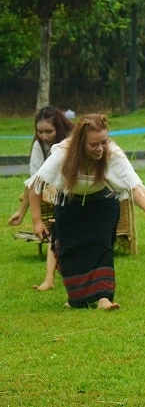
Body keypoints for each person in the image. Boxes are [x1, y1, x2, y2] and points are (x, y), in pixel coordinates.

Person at [26, 114, 145, 310]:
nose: (100, 148)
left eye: (104, 142)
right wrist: (37, 221)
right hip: (69, 205)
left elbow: (133, 184)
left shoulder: (112, 153)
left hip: (103, 203)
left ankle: (103, 298)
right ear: (80, 143)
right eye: (93, 144)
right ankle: (76, 298)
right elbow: (36, 184)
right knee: (70, 251)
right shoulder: (64, 153)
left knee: (102, 246)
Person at [8, 106, 74, 291]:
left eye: (48, 131)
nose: (44, 136)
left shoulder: (72, 140)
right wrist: (22, 212)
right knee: (56, 230)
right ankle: (49, 279)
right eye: (40, 132)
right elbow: (34, 181)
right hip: (58, 194)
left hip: (78, 190)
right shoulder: (39, 146)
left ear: (58, 128)